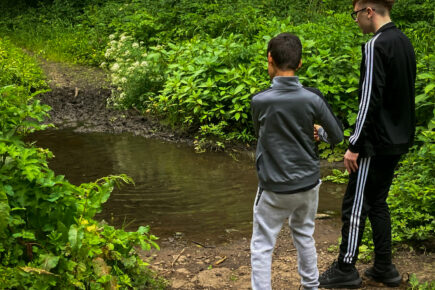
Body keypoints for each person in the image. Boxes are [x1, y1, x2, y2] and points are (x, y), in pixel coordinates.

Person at [318, 0, 416, 288]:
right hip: (397, 139)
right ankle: (384, 266)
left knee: (355, 204)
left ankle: (345, 267)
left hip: (376, 142)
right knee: (377, 202)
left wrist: (355, 144)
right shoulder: (404, 42)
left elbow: (369, 99)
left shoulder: (377, 45)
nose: (356, 20)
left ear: (369, 11)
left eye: (356, 14)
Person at [250, 32, 343, 290]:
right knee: (304, 235)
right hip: (308, 184)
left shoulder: (259, 101)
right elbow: (336, 136)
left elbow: (261, 136)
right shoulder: (313, 98)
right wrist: (319, 133)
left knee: (262, 244)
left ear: (270, 59)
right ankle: (311, 286)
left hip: (273, 187)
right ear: (300, 63)